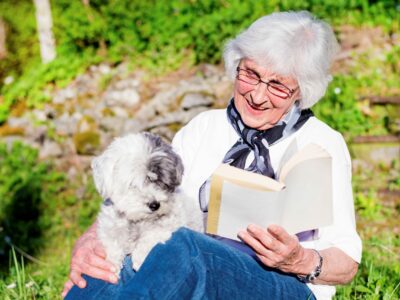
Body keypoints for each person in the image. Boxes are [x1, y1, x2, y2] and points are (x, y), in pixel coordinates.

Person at [62, 11, 362, 300]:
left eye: (278, 86)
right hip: (191, 271)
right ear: (236, 64)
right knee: (113, 265)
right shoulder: (203, 127)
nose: (257, 96)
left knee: (184, 247)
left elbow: (347, 263)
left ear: (301, 91)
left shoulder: (323, 143)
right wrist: (92, 239)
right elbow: (144, 196)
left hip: (283, 287)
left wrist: (299, 260)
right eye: (251, 74)